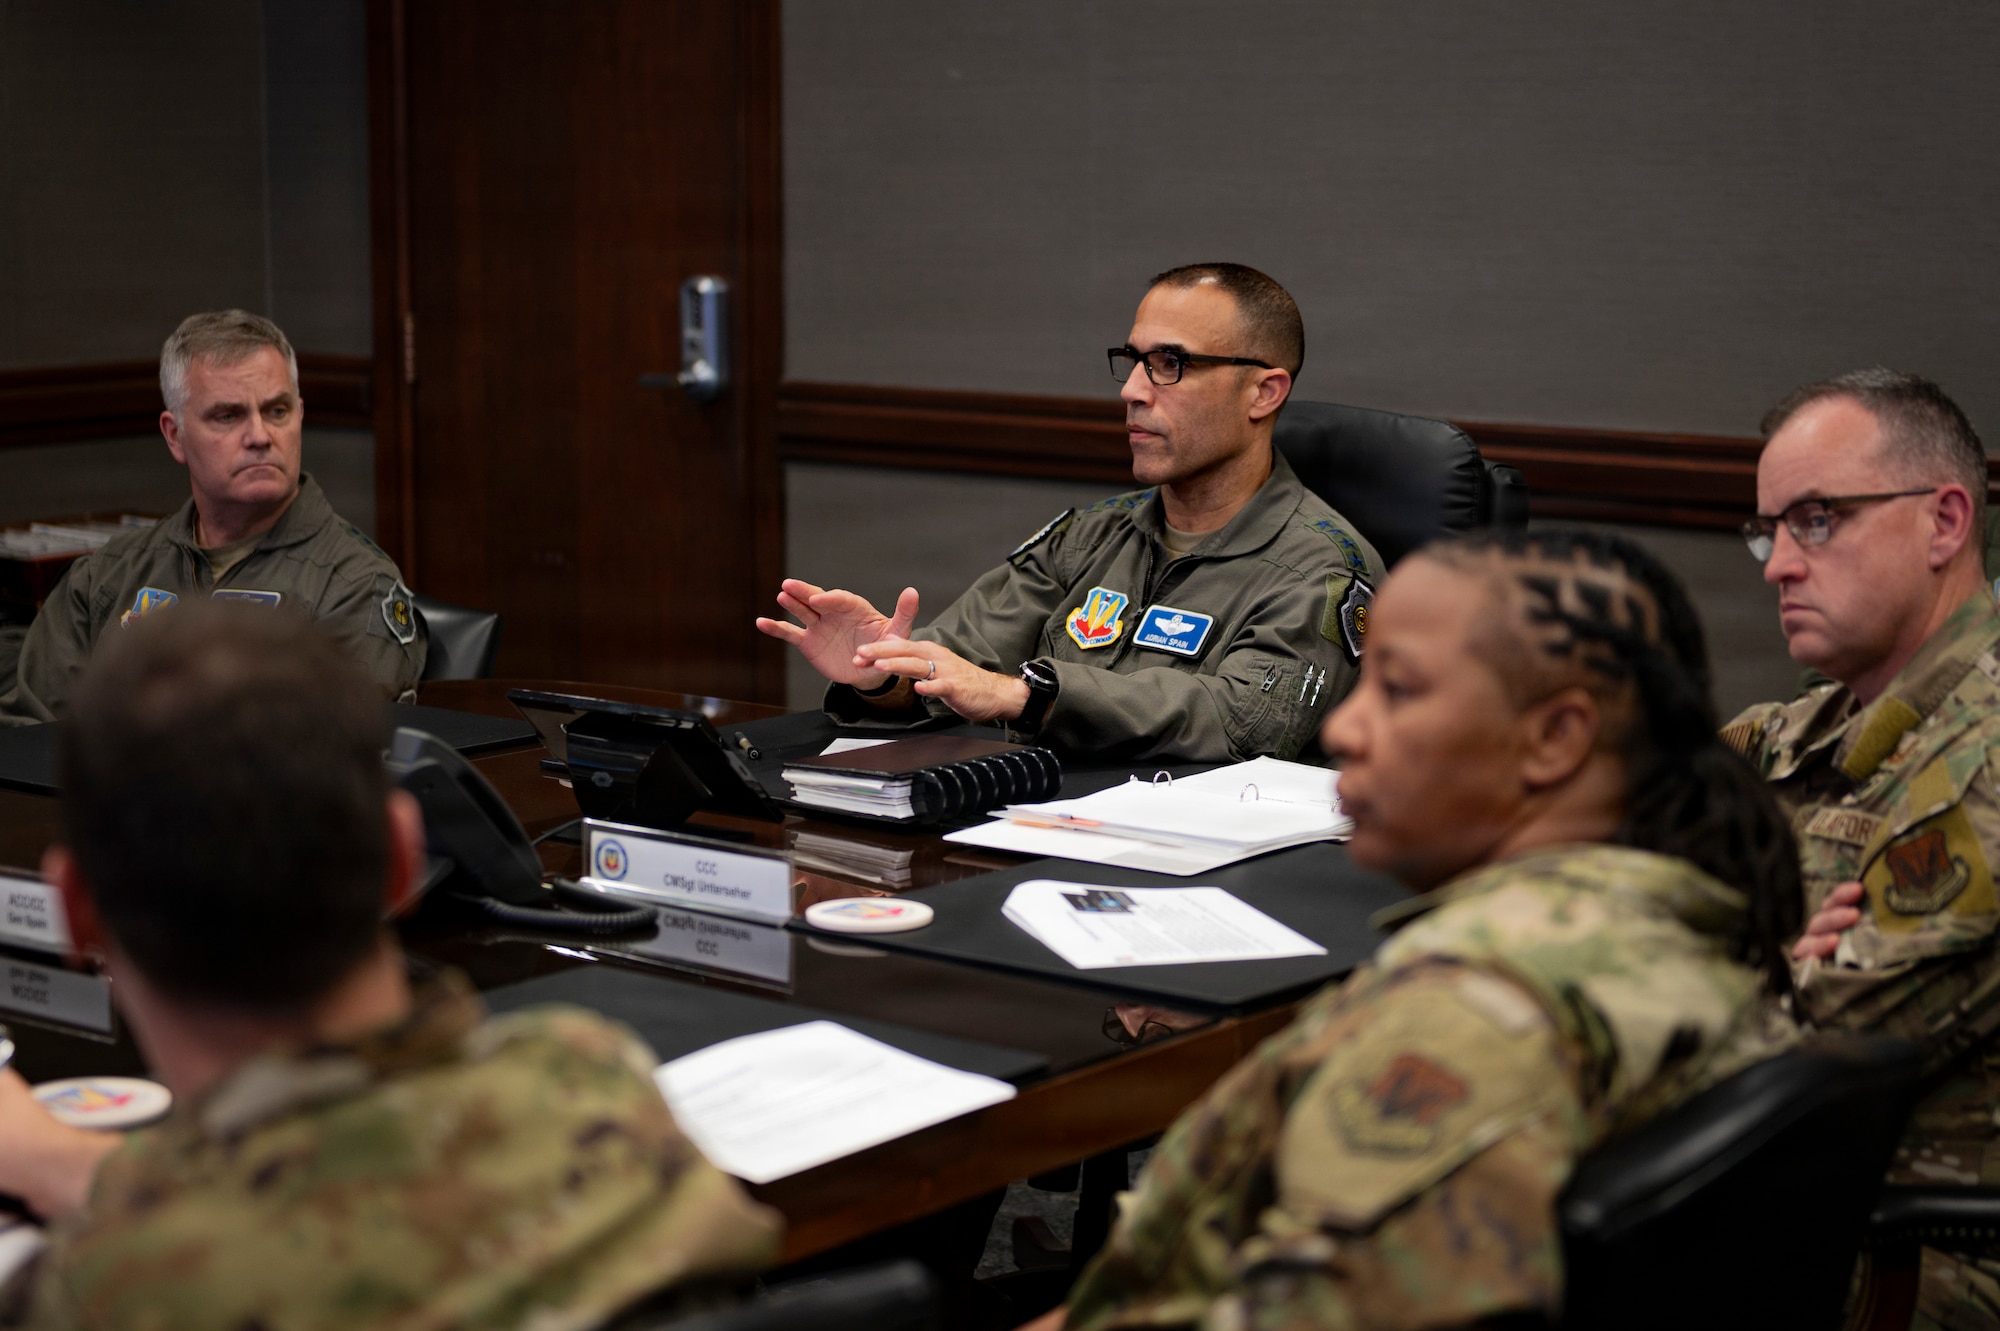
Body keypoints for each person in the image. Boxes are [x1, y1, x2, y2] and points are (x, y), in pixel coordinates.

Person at [1025, 527, 1801, 1330]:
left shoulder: (1471, 1019)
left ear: (1557, 737)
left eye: (1397, 690)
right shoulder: (1685, 915)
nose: (1349, 732)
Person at [0, 602, 779, 1329]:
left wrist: (50, 1161)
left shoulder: (116, 1286)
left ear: (74, 911)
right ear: (406, 855)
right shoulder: (592, 1085)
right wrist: (77, 1165)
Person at [756, 263, 1385, 764]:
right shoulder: (1091, 535)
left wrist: (1027, 695)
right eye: (1133, 361)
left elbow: (1245, 721)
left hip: (1201, 866)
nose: (1133, 390)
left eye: (1171, 364)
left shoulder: (1319, 567)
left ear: (1263, 392)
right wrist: (881, 673)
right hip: (1037, 827)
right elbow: (957, 659)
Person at [1724, 369, 2000, 1330]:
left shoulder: (1980, 759)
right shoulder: (1837, 715)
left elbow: (1789, 1072)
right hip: (1784, 1190)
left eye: (1817, 520)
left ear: (1945, 522)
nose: (1777, 566)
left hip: (1911, 1255)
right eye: (1770, 529)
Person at [0, 310, 426, 724]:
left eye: (277, 411)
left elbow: (325, 764)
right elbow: (30, 741)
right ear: (175, 435)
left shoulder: (355, 588)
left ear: (299, 414)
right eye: (228, 416)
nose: (260, 436)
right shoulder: (106, 578)